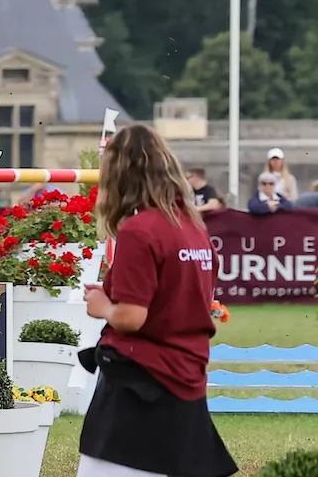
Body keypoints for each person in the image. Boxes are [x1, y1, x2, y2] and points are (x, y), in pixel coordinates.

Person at [76, 123, 236, 477]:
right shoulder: (193, 228)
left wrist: (103, 305)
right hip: (186, 378)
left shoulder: (140, 230)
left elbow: (132, 317)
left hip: (140, 382)